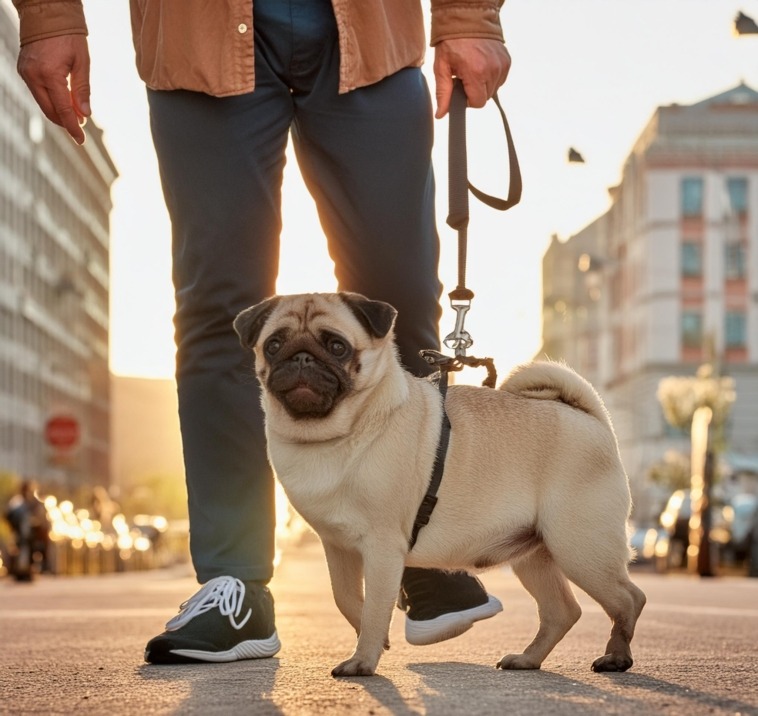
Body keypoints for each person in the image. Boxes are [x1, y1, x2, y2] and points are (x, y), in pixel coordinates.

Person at [14, 0, 511, 663]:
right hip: (196, 31)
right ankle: (235, 584)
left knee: (401, 295)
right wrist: (48, 15)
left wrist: (470, 16)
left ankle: (418, 547)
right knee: (220, 308)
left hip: (372, 28)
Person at [4, 479, 50, 581]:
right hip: (19, 532)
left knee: (31, 551)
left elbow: (40, 516)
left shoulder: (33, 502)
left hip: (30, 533)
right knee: (17, 551)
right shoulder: (16, 502)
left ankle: (29, 570)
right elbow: (9, 515)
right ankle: (18, 571)